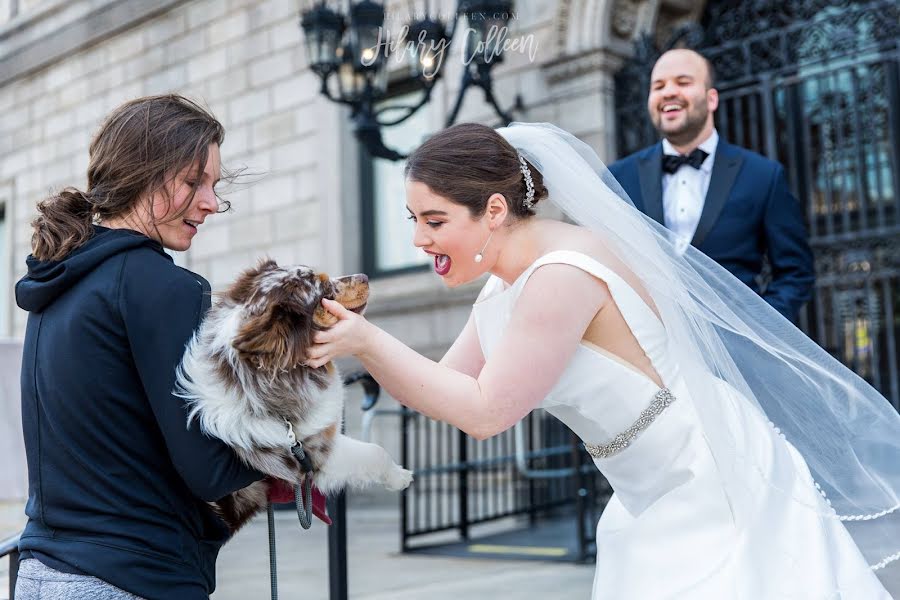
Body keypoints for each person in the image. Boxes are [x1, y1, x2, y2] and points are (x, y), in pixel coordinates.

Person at [306, 122, 900, 598]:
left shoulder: (560, 277)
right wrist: (354, 341)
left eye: (434, 221)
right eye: (414, 221)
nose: (419, 240)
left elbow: (486, 413)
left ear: (492, 210)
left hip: (707, 485)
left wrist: (367, 342)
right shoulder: (504, 280)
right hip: (645, 489)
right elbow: (444, 386)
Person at [14, 94, 265, 599]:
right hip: (130, 579)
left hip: (43, 575)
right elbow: (208, 471)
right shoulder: (162, 286)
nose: (211, 202)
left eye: (215, 186)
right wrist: (295, 448)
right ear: (142, 175)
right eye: (194, 182)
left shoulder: (59, 279)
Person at [608, 49, 815, 324]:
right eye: (658, 86)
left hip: (737, 358)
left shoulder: (763, 176)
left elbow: (796, 272)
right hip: (648, 352)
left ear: (711, 98)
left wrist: (759, 330)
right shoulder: (616, 178)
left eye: (683, 82)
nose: (668, 92)